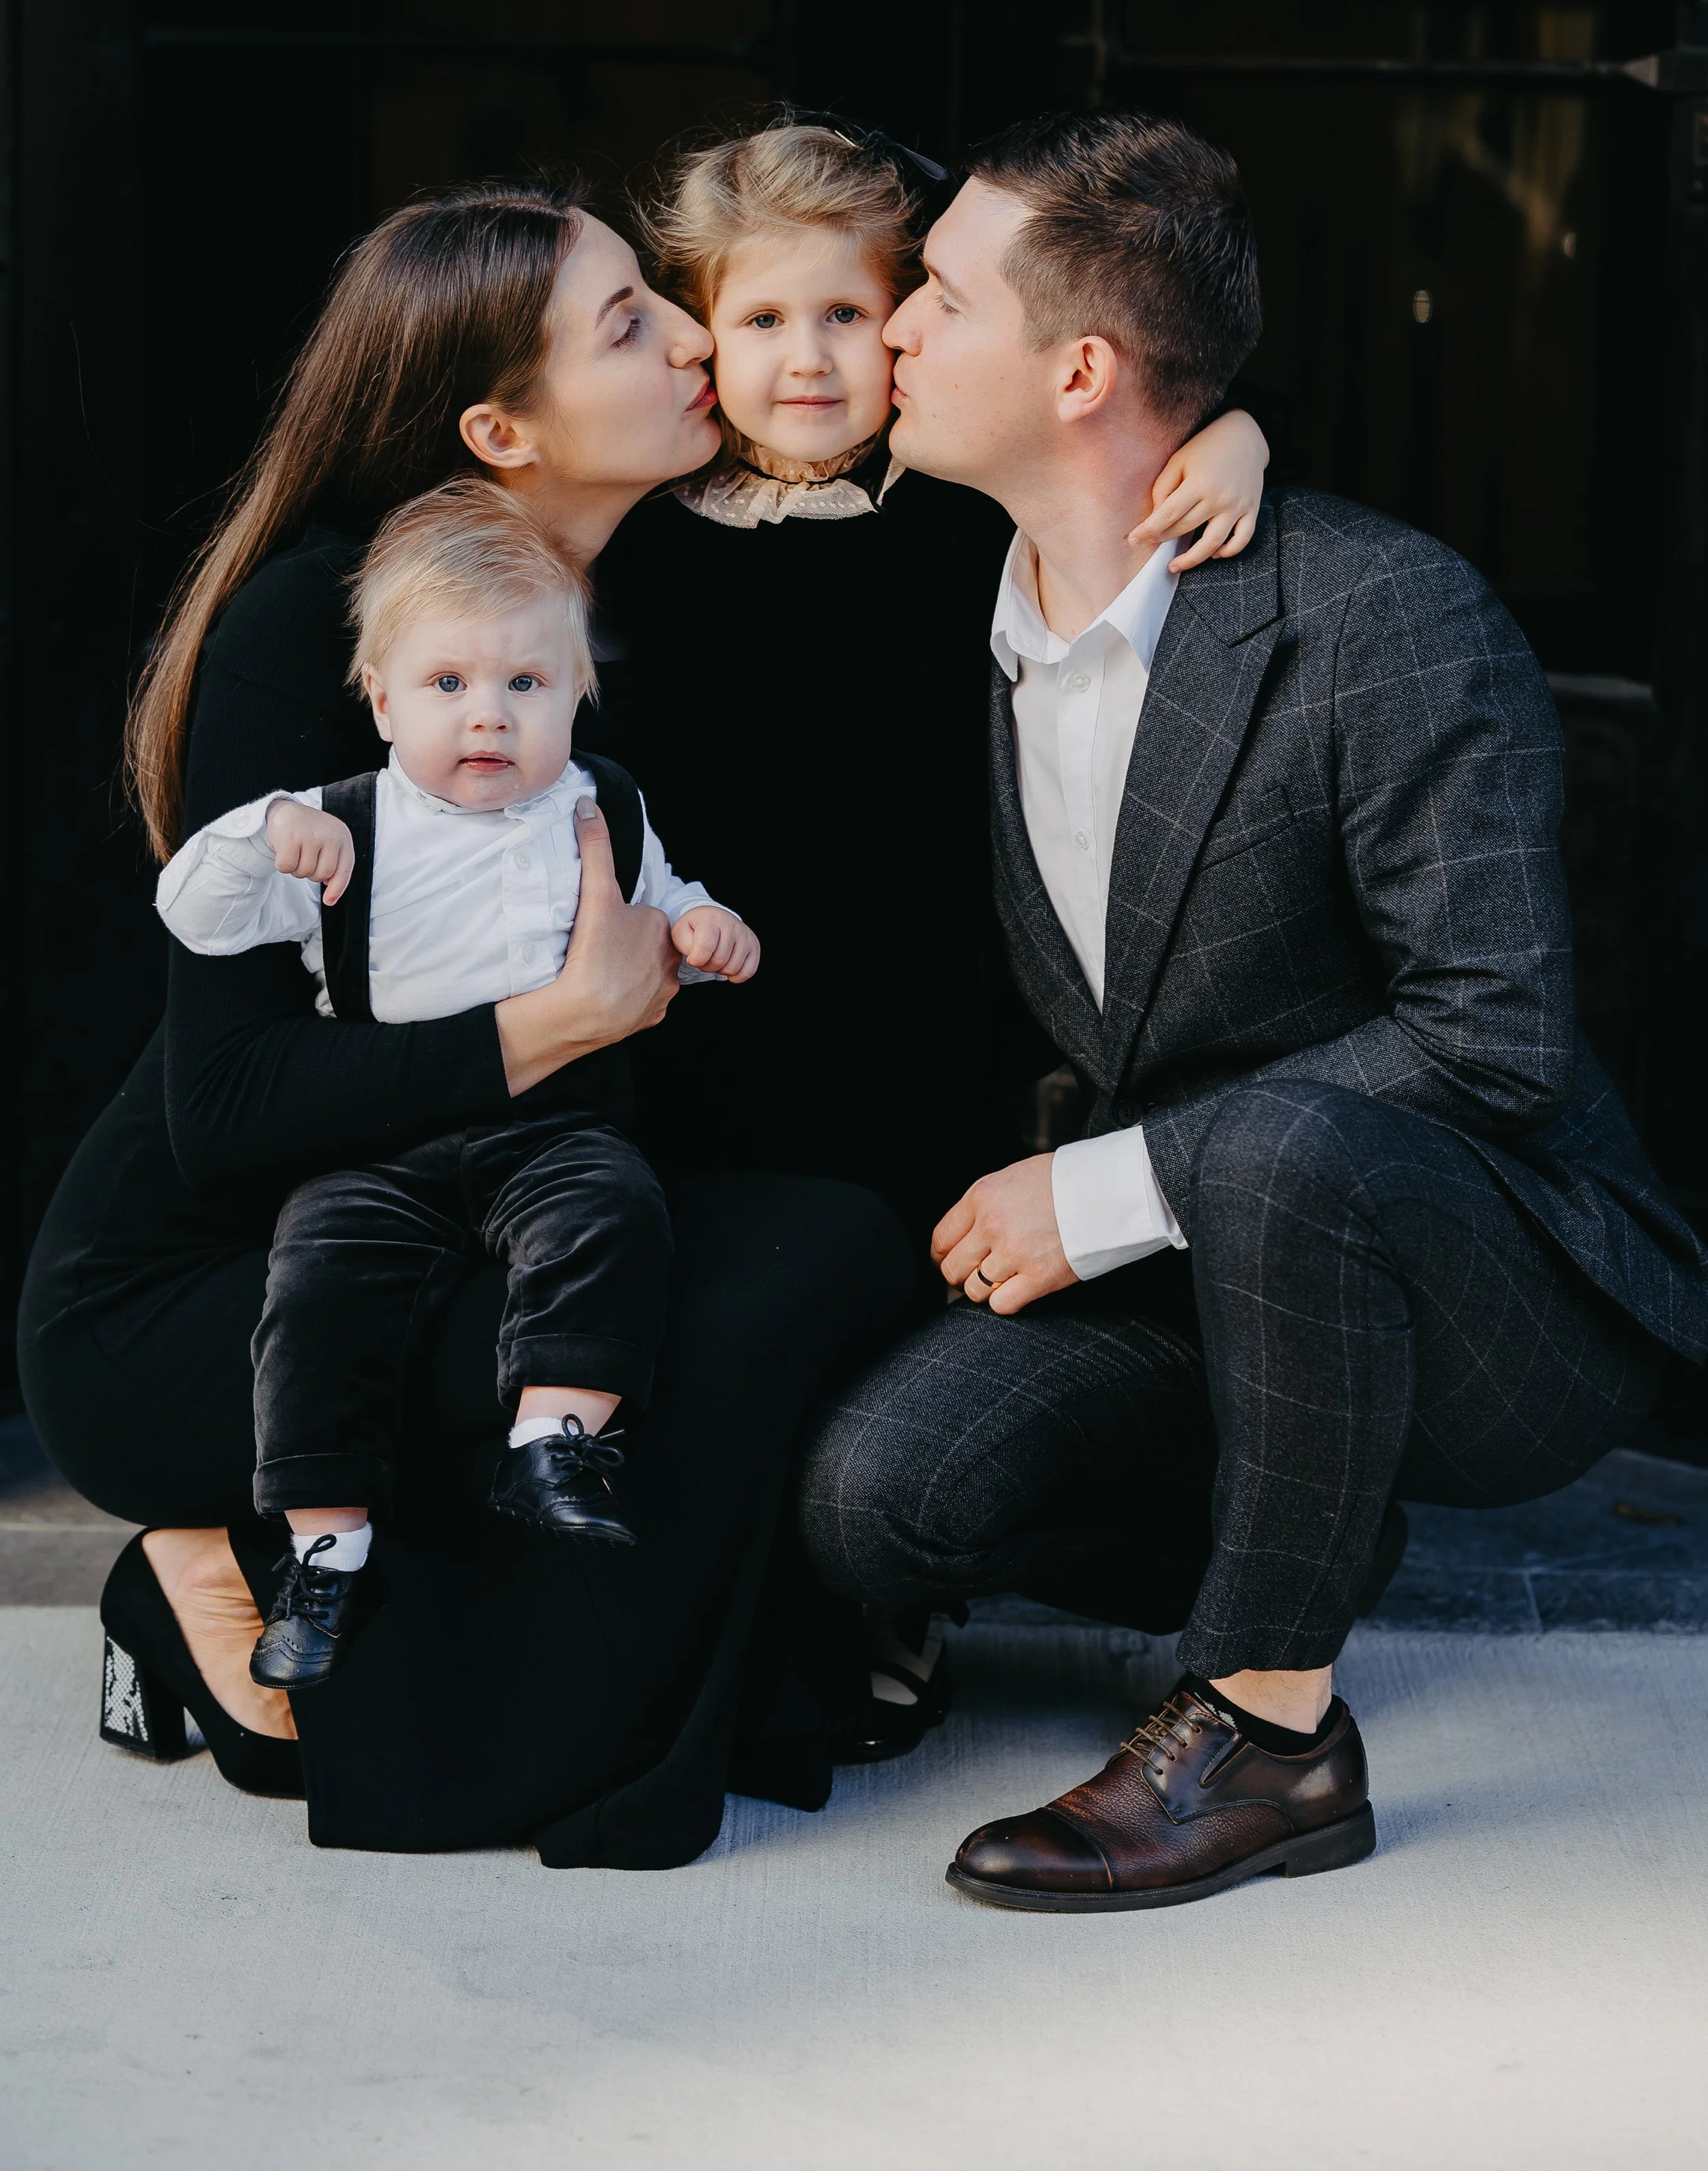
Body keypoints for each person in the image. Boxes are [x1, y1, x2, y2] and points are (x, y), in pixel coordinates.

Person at [799, 108, 1708, 1911]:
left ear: (1077, 367)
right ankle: (1302, 1515)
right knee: (875, 1500)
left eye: (938, 298)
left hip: (1484, 1269)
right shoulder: (928, 589)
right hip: (1217, 1282)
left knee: (1283, 1139)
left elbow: (1491, 1038)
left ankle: (1268, 1732)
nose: (889, 326)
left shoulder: (1376, 614)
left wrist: (1108, 1190)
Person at [20, 178, 918, 1862]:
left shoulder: (636, 594)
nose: (691, 338)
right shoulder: (333, 625)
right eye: (629, 323)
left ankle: (659, 1668)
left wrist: (1228, 436)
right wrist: (562, 1019)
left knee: (829, 1249)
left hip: (485, 1211)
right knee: (667, 1331)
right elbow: (228, 1106)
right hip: (207, 1278)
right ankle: (207, 1572)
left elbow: (958, 420)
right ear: (504, 426)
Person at [590, 113, 1271, 1745]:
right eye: (760, 319)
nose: (810, 356)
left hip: (917, 998)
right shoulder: (645, 534)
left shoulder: (960, 511)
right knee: (726, 1304)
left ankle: (887, 1585)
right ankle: (730, 1592)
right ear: (699, 336)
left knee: (903, 1276)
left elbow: (1121, 428)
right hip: (710, 999)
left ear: (904, 321)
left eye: (846, 312)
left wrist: (1237, 429)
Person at [154, 476, 758, 1689]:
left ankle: (556, 1437)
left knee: (614, 1215)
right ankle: (325, 1549)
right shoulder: (345, 819)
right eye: (448, 685)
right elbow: (196, 917)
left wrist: (703, 933)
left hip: (553, 1127)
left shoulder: (607, 805)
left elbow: (661, 905)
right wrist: (261, 834)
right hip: (382, 1146)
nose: (488, 716)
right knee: (315, 1292)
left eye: (526, 685)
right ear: (379, 700)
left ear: (581, 694)